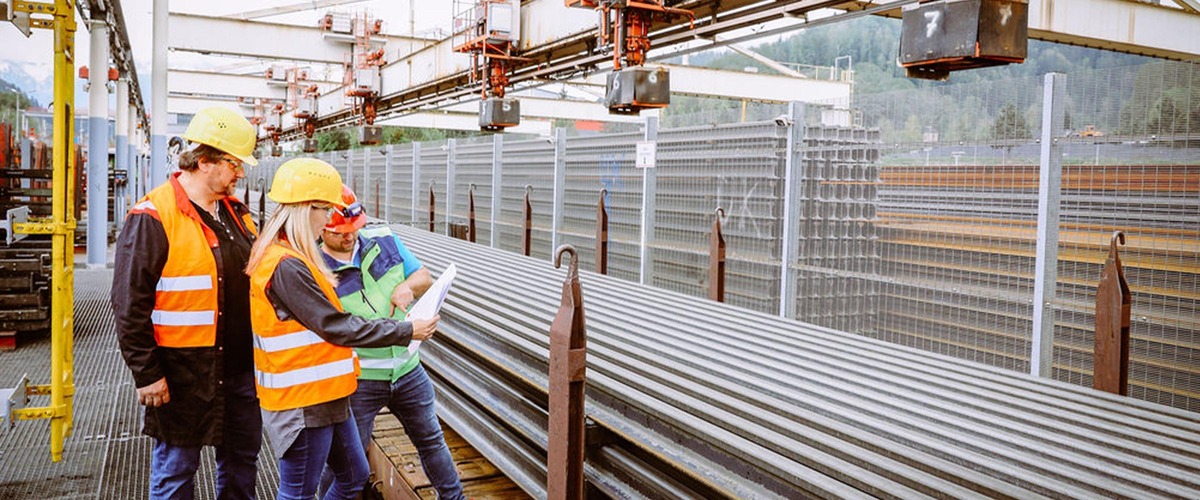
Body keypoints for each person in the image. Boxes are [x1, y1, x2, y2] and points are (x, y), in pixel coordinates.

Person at [246, 158, 439, 500]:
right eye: (325, 213)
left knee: (353, 476)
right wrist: (405, 331)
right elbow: (335, 326)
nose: (327, 223)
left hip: (329, 392)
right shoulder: (286, 265)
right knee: (299, 492)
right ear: (307, 209)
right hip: (303, 400)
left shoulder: (299, 256)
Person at [112, 106, 262, 499]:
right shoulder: (154, 216)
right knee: (176, 473)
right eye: (234, 164)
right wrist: (146, 373)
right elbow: (129, 305)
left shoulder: (236, 215)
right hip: (182, 374)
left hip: (241, 369)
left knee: (242, 465)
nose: (240, 173)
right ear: (206, 161)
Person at [317, 186, 465, 499]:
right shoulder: (315, 269)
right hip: (360, 379)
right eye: (342, 233)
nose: (351, 237)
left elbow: (423, 275)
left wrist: (408, 287)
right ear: (321, 227)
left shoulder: (383, 238)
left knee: (431, 441)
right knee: (345, 462)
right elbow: (343, 329)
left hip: (408, 370)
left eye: (355, 229)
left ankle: (454, 498)